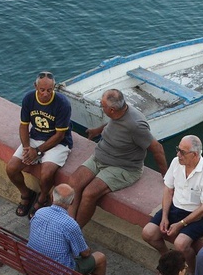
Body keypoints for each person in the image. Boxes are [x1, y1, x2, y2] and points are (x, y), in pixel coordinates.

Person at [68, 89, 167, 228]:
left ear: (113, 109)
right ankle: (68, 225)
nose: (102, 109)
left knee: (89, 193)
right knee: (73, 183)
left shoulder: (136, 125)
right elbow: (114, 123)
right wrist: (97, 130)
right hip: (101, 157)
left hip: (123, 167)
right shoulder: (118, 112)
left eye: (103, 106)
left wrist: (165, 175)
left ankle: (75, 231)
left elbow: (157, 149)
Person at [141, 135, 203, 275]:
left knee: (181, 244)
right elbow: (168, 189)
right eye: (178, 149)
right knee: (148, 233)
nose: (178, 154)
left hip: (199, 215)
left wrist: (181, 224)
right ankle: (169, 262)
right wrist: (164, 216)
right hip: (176, 208)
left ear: (194, 154)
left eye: (182, 152)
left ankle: (192, 273)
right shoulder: (176, 163)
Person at [6, 71, 73, 219]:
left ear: (54, 87)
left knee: (46, 173)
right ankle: (26, 193)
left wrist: (37, 151)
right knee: (11, 168)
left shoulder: (63, 104)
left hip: (58, 143)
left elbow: (60, 135)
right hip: (35, 138)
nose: (45, 94)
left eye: (49, 90)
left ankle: (42, 198)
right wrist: (26, 148)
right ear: (35, 86)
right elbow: (24, 126)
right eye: (42, 90)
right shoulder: (29, 99)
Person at [28, 184, 107, 275]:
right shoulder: (70, 224)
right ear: (72, 201)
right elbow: (85, 253)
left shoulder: (40, 212)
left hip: (32, 264)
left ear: (52, 197)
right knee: (100, 257)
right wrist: (87, 249)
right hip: (59, 274)